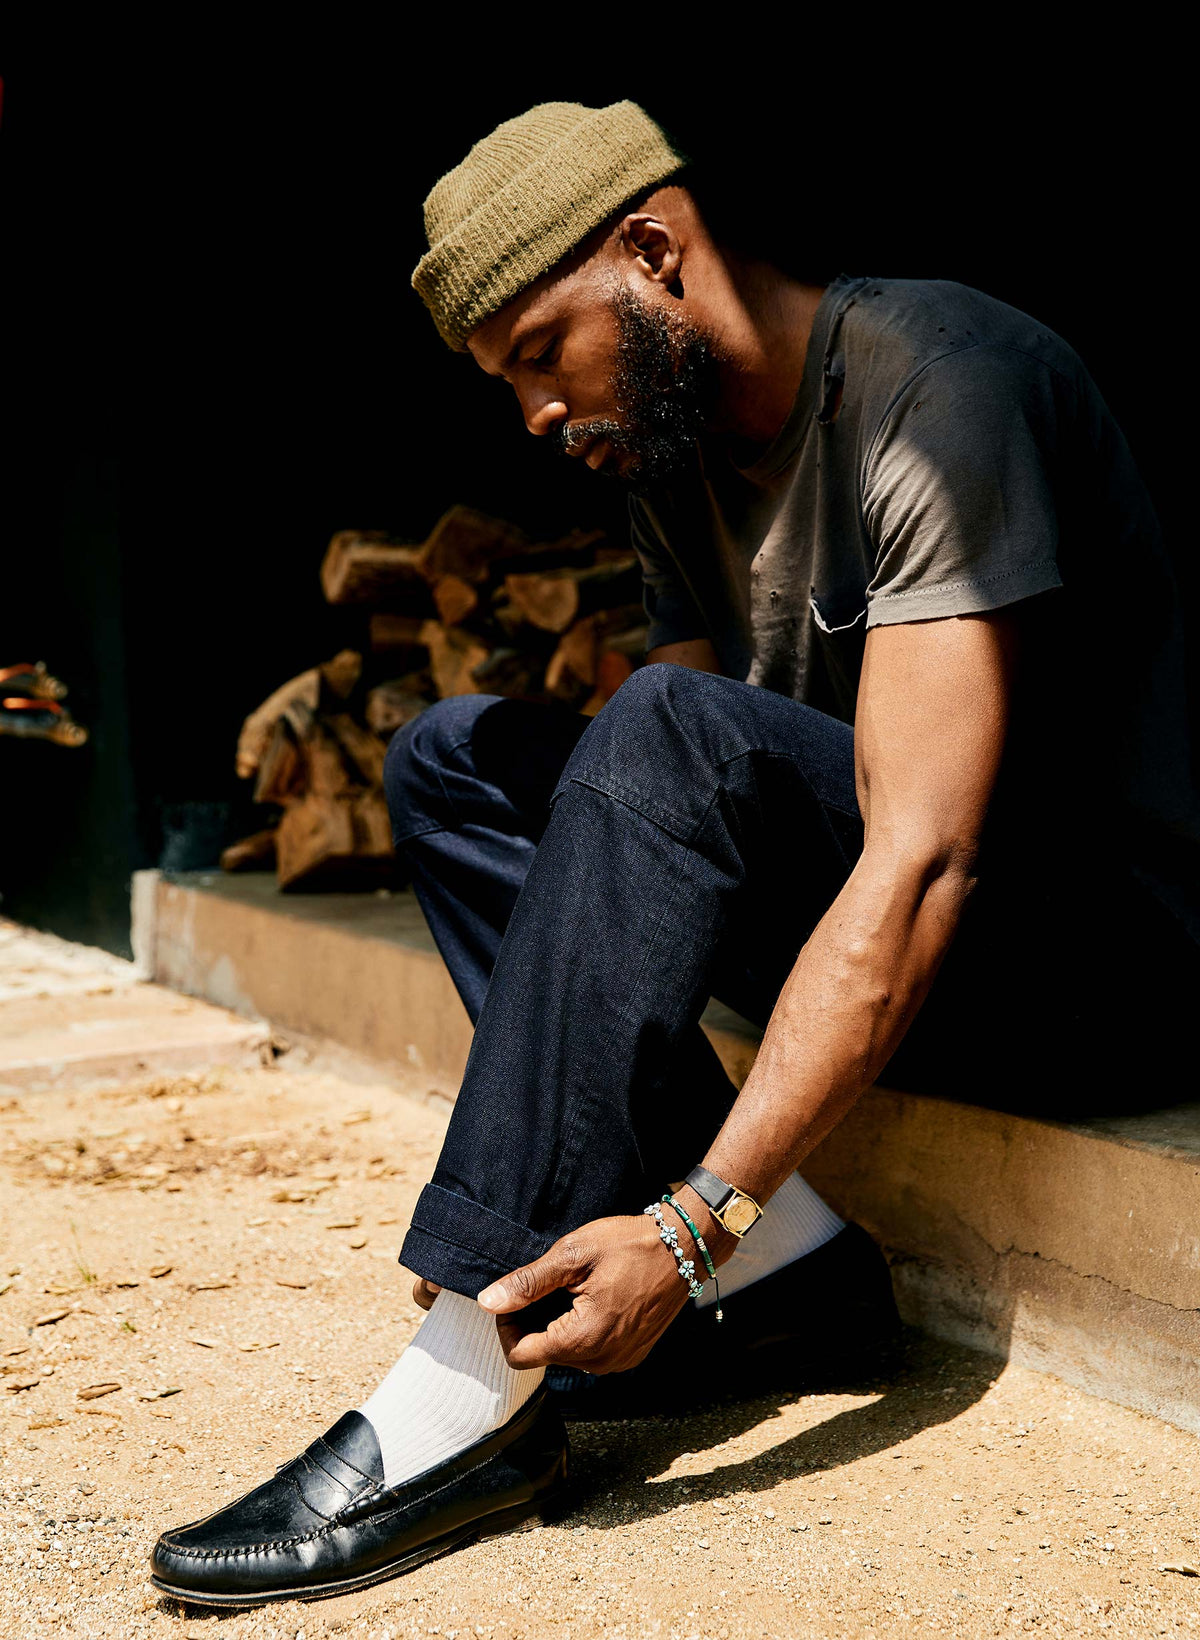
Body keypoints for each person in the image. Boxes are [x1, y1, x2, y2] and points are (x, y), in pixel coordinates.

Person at [151, 100, 1199, 1608]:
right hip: (887, 937)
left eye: (540, 352)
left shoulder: (944, 386)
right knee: (452, 760)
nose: (534, 413)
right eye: (506, 381)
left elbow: (919, 865)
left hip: (1085, 966)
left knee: (664, 727)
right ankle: (797, 1284)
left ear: (653, 250)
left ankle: (467, 1380)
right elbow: (665, 816)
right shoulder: (670, 452)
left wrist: (695, 1222)